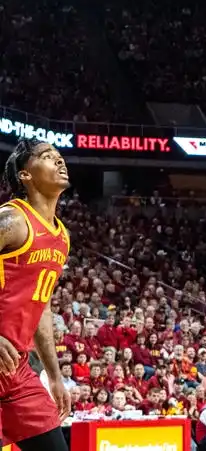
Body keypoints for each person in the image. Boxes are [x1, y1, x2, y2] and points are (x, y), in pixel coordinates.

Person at [0, 141, 73, 451]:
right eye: (47, 157)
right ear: (25, 175)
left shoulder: (62, 237)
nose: (59, 161)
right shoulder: (11, 220)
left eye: (59, 156)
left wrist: (54, 376)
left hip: (16, 369)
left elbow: (40, 305)